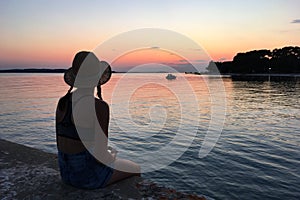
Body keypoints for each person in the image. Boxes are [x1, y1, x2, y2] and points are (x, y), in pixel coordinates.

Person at [56, 51, 140, 189]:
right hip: (89, 179)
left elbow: (62, 145)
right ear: (98, 78)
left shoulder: (63, 102)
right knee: (135, 168)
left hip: (65, 175)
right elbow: (102, 156)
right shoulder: (99, 107)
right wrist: (112, 156)